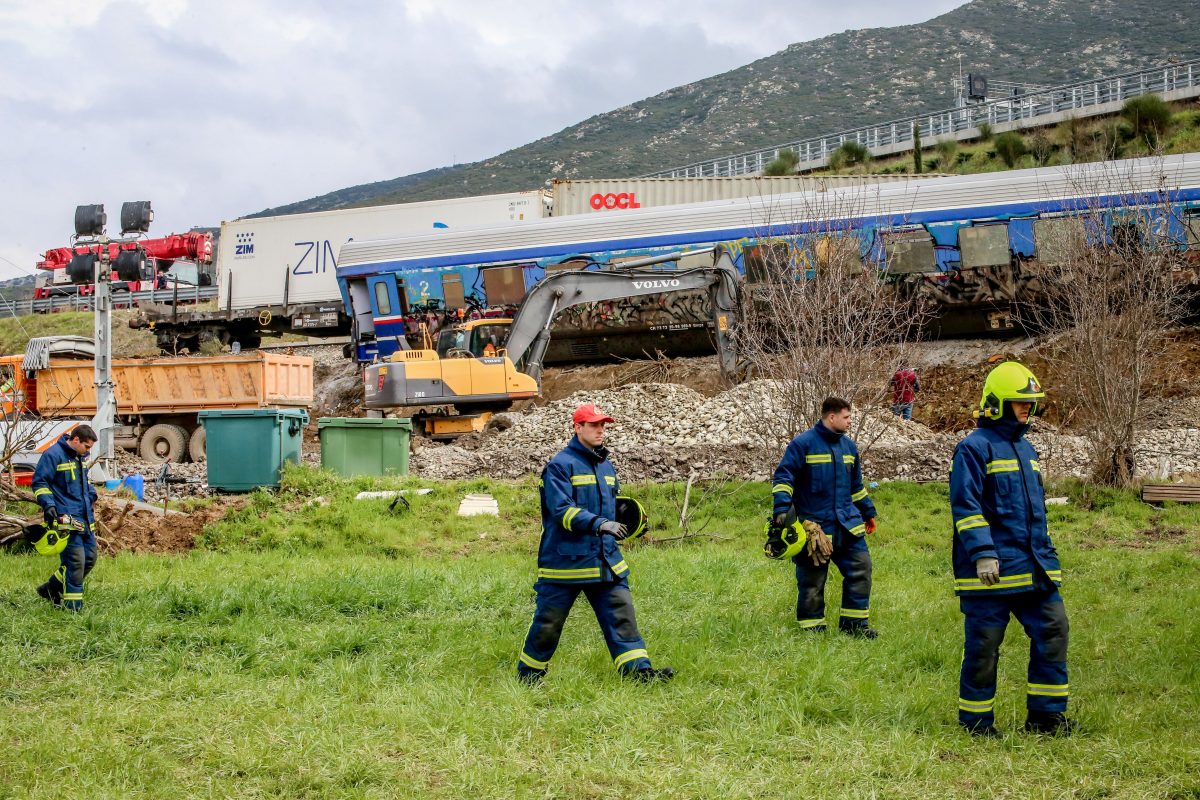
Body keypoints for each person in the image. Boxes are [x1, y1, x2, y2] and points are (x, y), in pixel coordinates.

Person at [949, 362, 1072, 737]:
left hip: (1033, 566)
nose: (1027, 409)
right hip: (991, 571)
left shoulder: (1027, 448)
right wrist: (983, 553)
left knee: (1054, 630)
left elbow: (1034, 512)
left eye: (1031, 403)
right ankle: (976, 722)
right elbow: (966, 506)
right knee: (984, 646)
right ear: (996, 403)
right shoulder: (973, 448)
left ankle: (1045, 718)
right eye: (1020, 402)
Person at [516, 403, 673, 684]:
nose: (600, 430)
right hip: (565, 563)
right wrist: (600, 524)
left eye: (603, 425)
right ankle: (529, 676)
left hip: (605, 560)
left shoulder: (606, 466)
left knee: (622, 617)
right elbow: (561, 511)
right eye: (594, 425)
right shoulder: (559, 466)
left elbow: (611, 508)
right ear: (578, 428)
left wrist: (631, 520)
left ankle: (639, 672)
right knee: (548, 625)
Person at [770, 397, 879, 637]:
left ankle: (854, 626)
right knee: (812, 581)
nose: (850, 421)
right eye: (846, 417)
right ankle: (812, 630)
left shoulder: (849, 448)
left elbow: (856, 487)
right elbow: (784, 478)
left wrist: (868, 512)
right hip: (815, 528)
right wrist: (782, 510)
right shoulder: (802, 444)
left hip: (848, 526)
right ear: (832, 417)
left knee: (861, 569)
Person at [32, 425, 99, 611]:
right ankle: (73, 609)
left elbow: (85, 482)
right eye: (86, 446)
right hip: (66, 519)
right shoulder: (53, 455)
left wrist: (92, 495)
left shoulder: (80, 456)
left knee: (90, 558)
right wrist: (49, 505)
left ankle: (51, 588)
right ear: (76, 440)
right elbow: (39, 482)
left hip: (84, 518)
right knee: (76, 562)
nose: (88, 451)